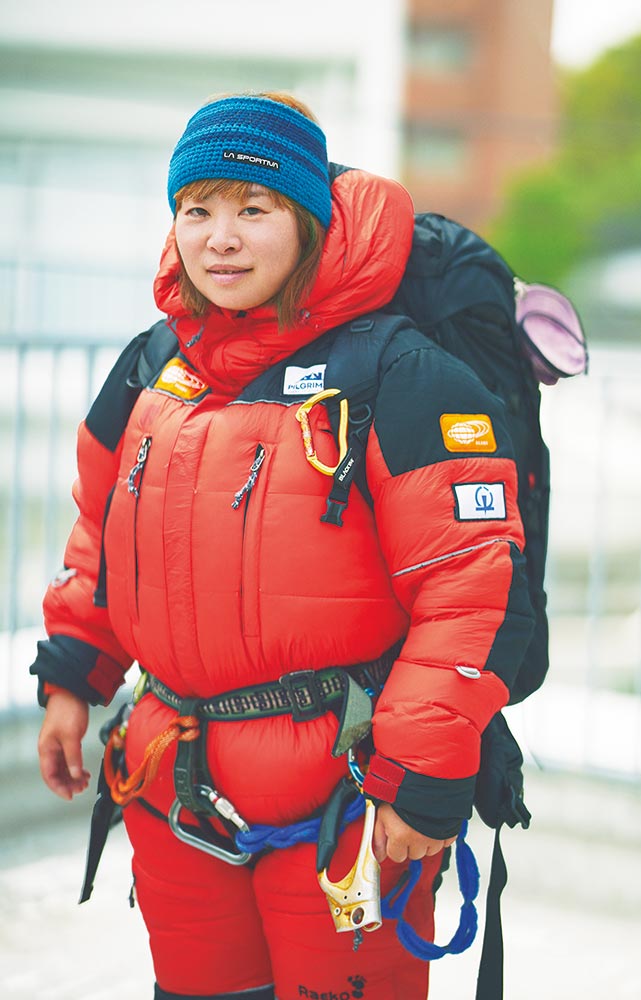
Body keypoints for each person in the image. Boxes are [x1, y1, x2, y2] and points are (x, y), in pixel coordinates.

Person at [31, 92, 535, 1000]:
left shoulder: (399, 371)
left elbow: (468, 589)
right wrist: (74, 676)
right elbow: (100, 537)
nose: (219, 238)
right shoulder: (153, 364)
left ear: (304, 223)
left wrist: (421, 775)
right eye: (197, 210)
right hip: (170, 779)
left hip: (344, 796)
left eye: (251, 210)